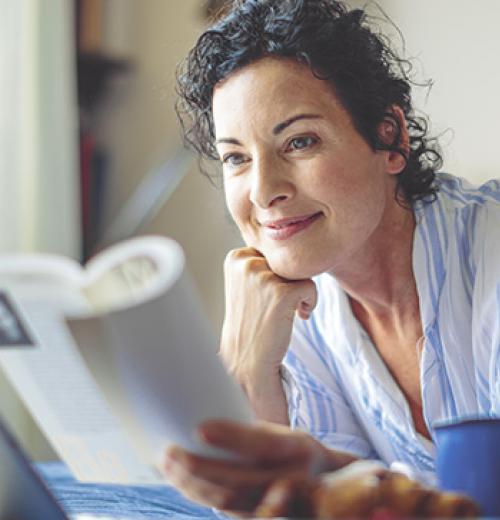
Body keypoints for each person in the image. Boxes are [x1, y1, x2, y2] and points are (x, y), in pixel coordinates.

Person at [164, 0, 500, 515]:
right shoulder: (294, 312)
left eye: (299, 142)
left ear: (390, 137)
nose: (264, 191)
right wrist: (247, 366)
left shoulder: (489, 259)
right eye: (236, 158)